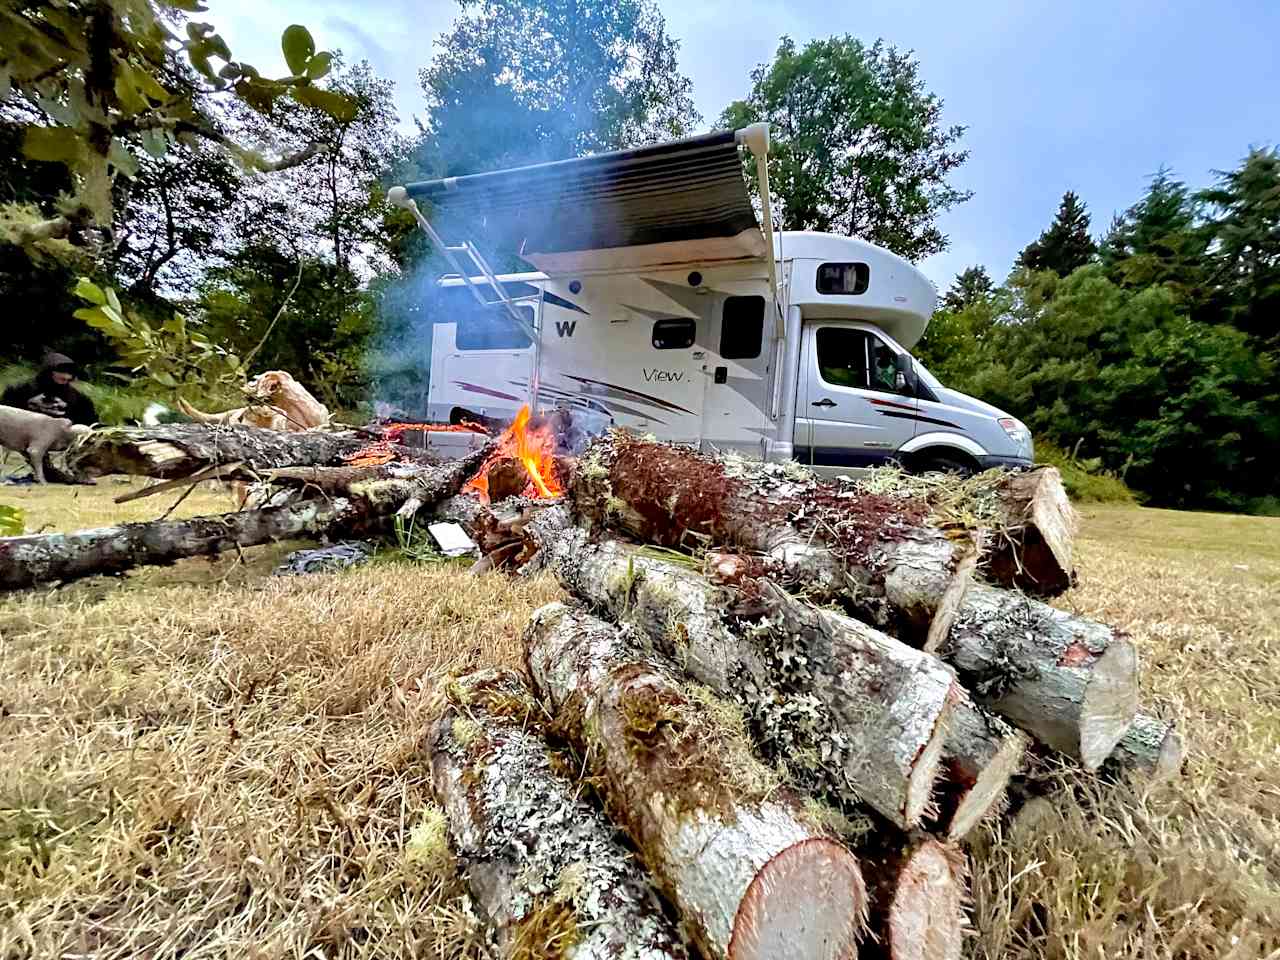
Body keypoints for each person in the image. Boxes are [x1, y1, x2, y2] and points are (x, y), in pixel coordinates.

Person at [2, 352, 98, 425]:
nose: (65, 378)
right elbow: (5, 415)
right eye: (61, 375)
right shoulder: (19, 390)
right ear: (48, 373)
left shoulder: (79, 399)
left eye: (69, 376)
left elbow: (90, 424)